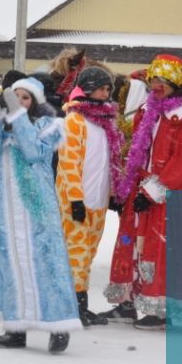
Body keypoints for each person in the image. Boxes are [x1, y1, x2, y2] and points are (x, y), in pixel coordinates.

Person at [101, 53, 182, 330]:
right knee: (129, 246)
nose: (157, 85)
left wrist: (151, 193)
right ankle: (126, 303)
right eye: (154, 79)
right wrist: (124, 188)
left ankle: (160, 308)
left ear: (176, 83)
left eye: (164, 80)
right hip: (138, 196)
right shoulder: (146, 113)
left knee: (160, 251)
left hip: (167, 199)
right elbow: (136, 153)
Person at [0, 76, 80, 352]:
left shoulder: (50, 125)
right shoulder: (5, 130)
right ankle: (15, 328)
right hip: (8, 211)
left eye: (25, 98)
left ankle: (59, 325)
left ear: (35, 101)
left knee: (46, 263)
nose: (20, 103)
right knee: (11, 264)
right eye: (16, 97)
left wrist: (17, 115)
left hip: (38, 209)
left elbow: (34, 152)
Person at [56, 66, 125, 327]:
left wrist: (114, 193)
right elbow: (69, 163)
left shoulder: (107, 123)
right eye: (101, 87)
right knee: (75, 254)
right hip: (78, 201)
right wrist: (74, 199)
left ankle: (80, 305)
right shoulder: (74, 120)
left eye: (108, 88)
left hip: (97, 200)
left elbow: (112, 162)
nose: (106, 92)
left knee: (88, 255)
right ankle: (74, 306)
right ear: (87, 88)